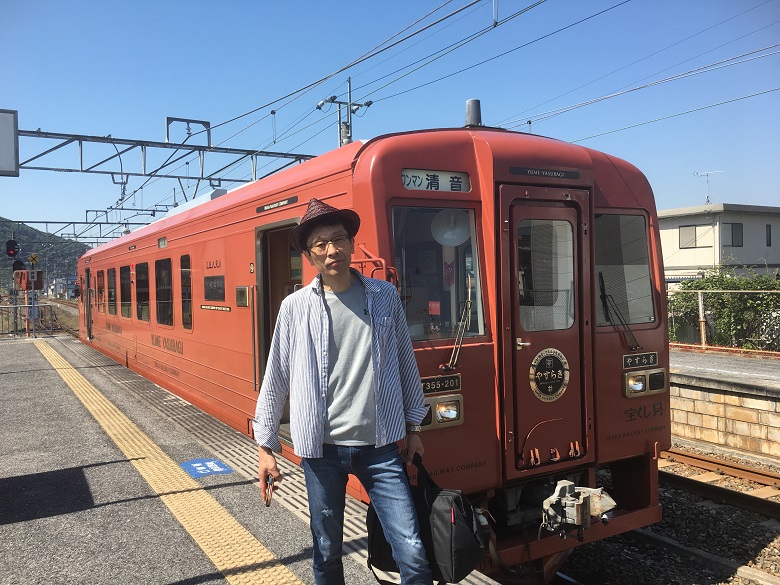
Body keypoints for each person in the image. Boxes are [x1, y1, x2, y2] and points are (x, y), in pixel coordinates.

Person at [253, 198, 433, 585]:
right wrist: (265, 448)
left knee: (414, 553)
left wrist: (414, 428)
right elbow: (276, 377)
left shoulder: (383, 297)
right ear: (309, 254)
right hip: (322, 452)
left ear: (352, 244)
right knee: (326, 551)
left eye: (339, 239)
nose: (332, 250)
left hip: (381, 448)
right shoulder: (295, 308)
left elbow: (404, 360)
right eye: (321, 244)